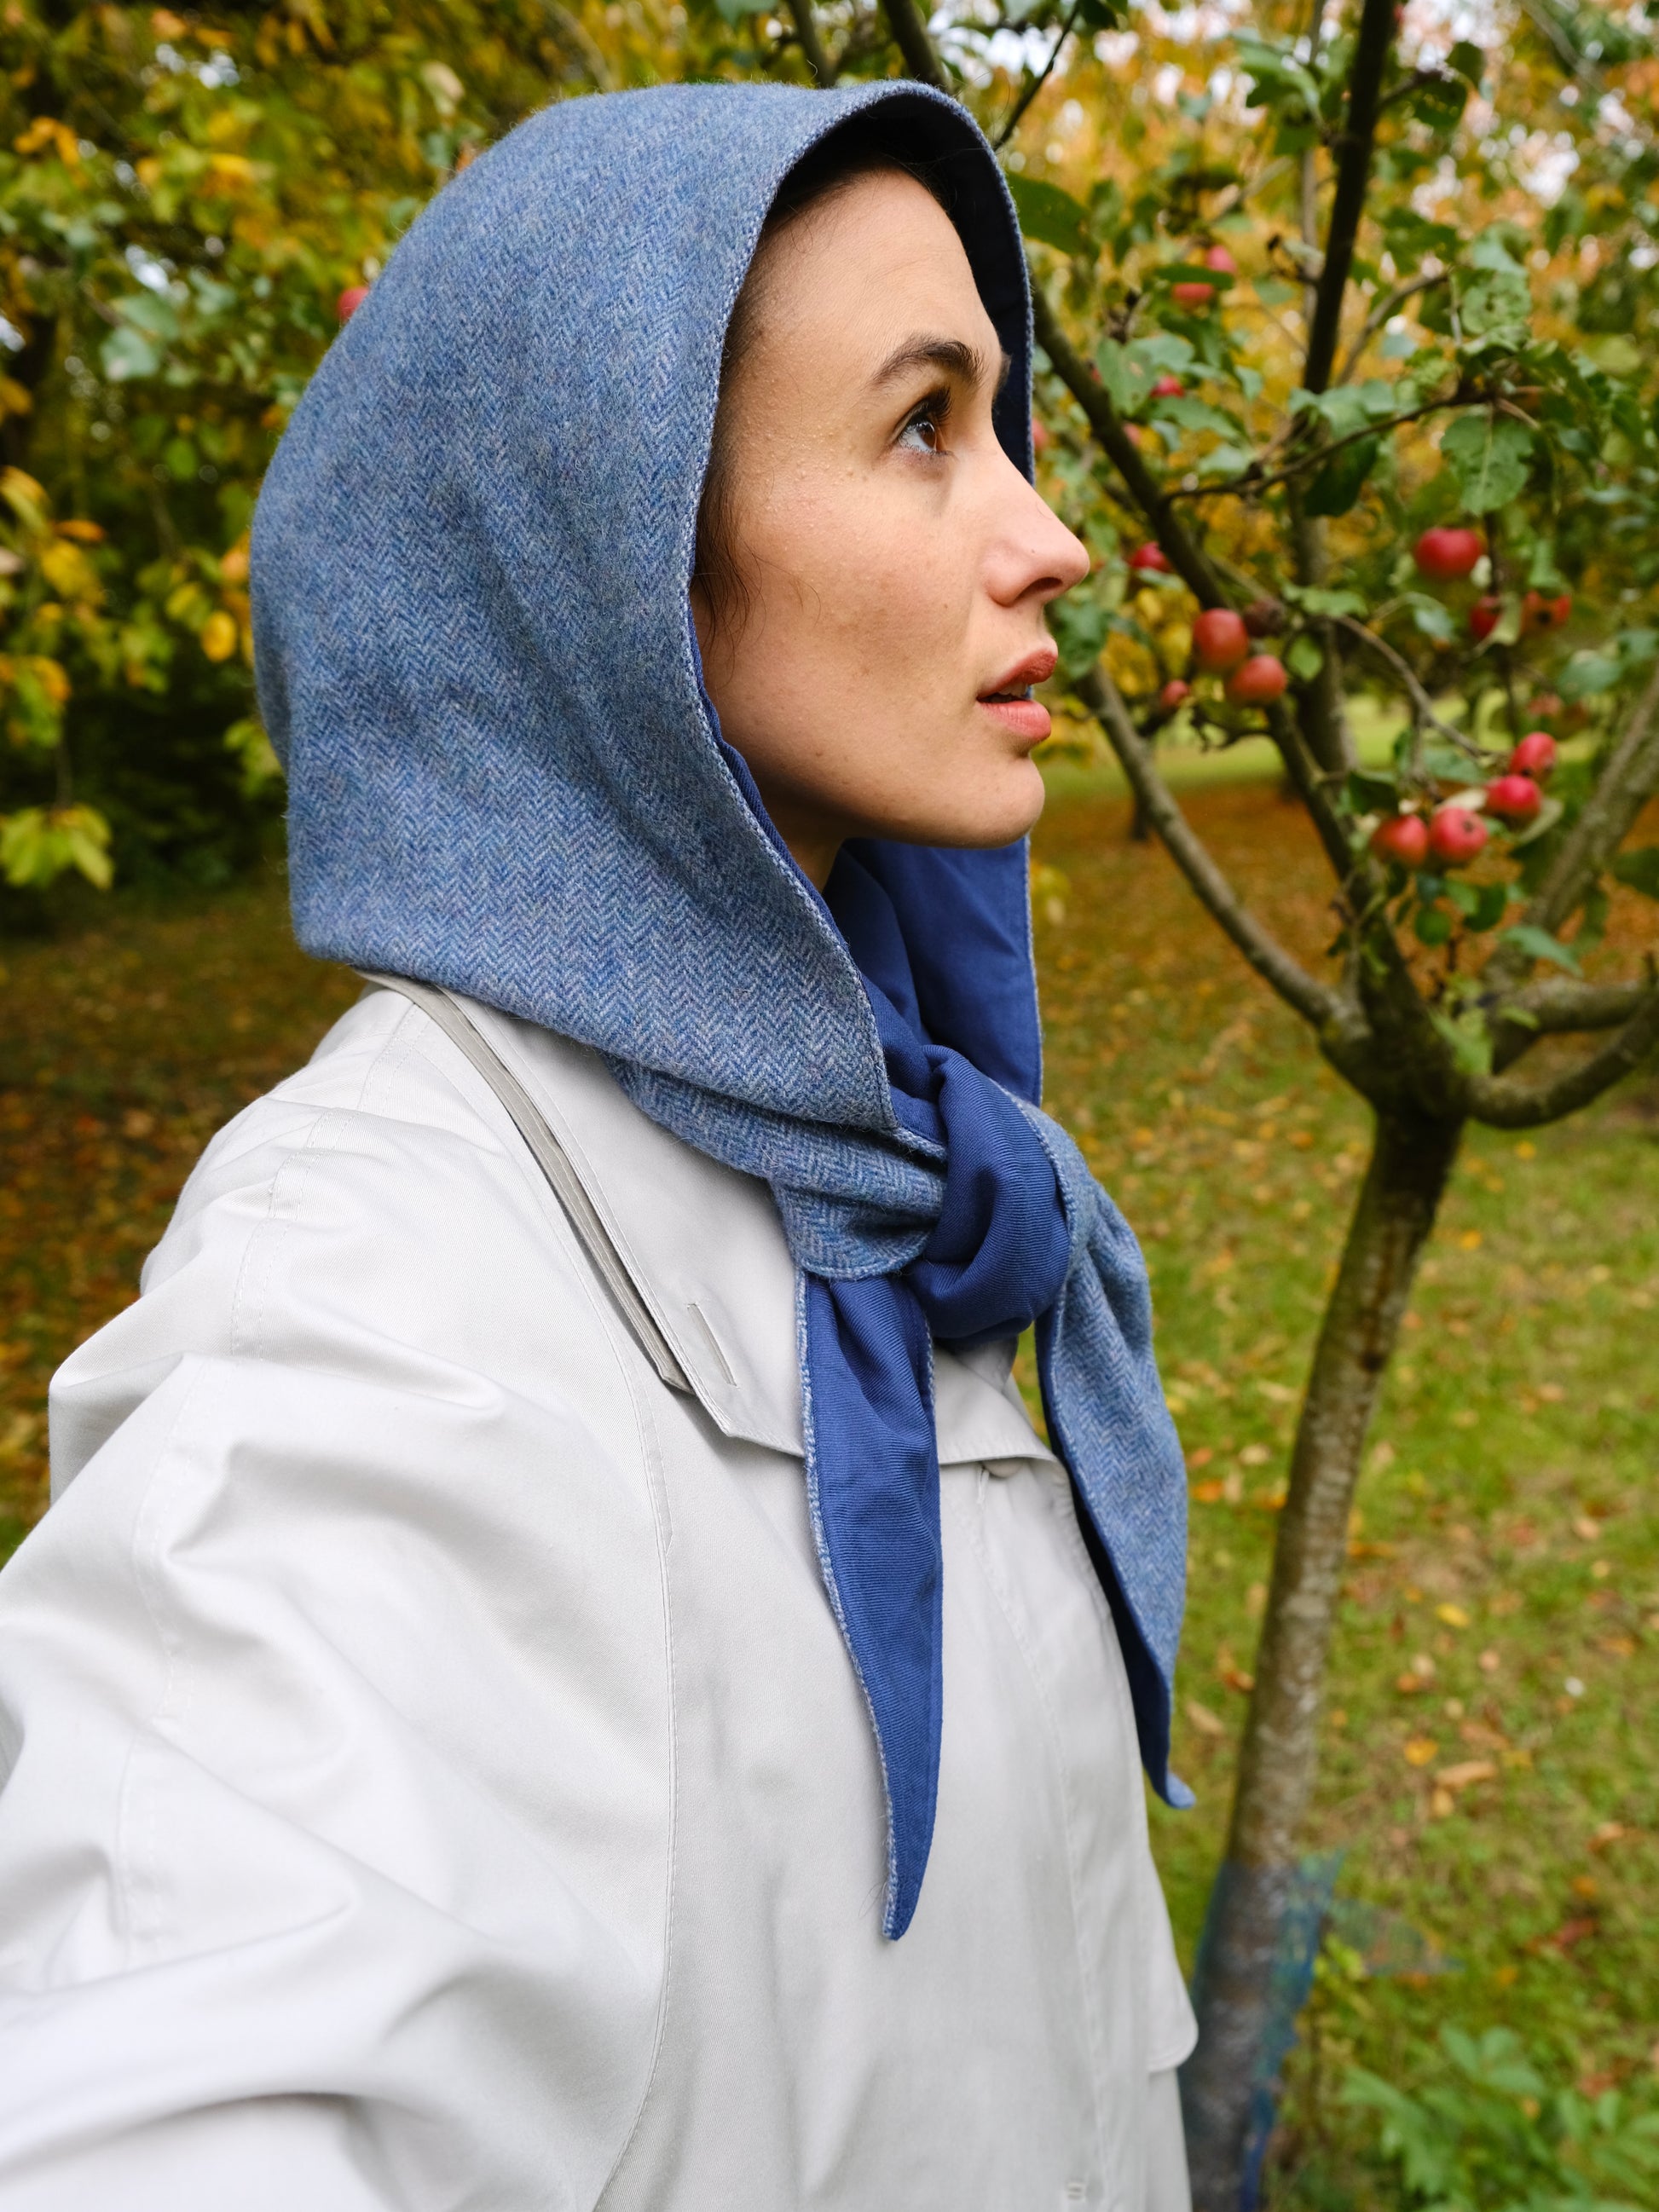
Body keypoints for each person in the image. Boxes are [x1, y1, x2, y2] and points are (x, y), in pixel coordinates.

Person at [0, 80, 1196, 2209]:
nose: (1048, 536)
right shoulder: (365, 1302)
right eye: (924, 426)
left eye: (1003, 425)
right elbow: (181, 2066)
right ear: (606, 543)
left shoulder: (890, 1158)